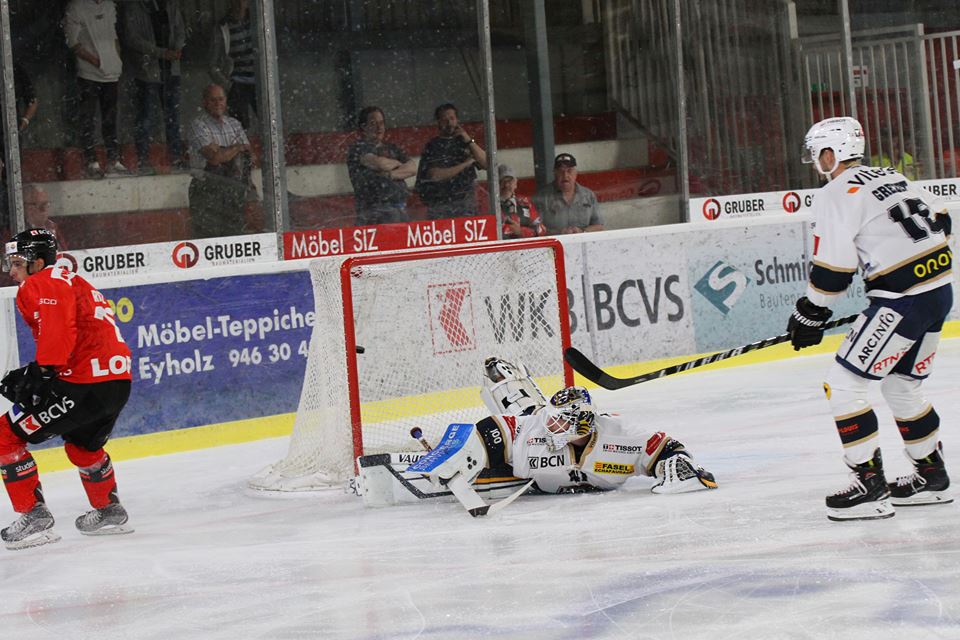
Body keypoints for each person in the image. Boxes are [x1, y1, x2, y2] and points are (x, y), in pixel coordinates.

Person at [788, 116, 953, 522]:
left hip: (902, 302)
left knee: (844, 384)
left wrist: (810, 312)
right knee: (903, 386)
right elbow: (943, 222)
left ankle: (869, 486)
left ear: (832, 153)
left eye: (817, 154)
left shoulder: (835, 193)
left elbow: (833, 271)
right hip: (938, 293)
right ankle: (931, 477)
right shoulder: (890, 175)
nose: (815, 162)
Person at [0, 228, 133, 550]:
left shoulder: (40, 283)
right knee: (83, 446)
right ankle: (109, 511)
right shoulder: (74, 280)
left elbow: (59, 328)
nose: (12, 271)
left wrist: (42, 371)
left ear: (38, 262)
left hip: (82, 384)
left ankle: (34, 518)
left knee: (5, 436)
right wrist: (41, 371)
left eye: (18, 263)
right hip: (116, 383)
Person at [415, 357, 717, 497]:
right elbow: (494, 429)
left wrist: (678, 465)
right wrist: (455, 452)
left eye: (560, 421)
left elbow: (666, 447)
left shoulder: (618, 436)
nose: (552, 425)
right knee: (526, 409)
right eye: (554, 417)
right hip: (529, 431)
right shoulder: (536, 426)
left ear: (582, 427)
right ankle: (505, 378)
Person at [64, 0, 128, 178]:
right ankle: (91, 161)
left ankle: (113, 159)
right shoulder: (76, 7)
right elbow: (72, 42)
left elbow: (113, 35)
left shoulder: (109, 5)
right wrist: (96, 61)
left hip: (112, 73)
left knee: (110, 117)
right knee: (88, 118)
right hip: (89, 74)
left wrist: (115, 59)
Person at [122, 0, 188, 174]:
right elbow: (132, 38)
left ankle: (176, 157)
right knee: (146, 117)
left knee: (173, 117)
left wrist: (177, 48)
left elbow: (181, 30)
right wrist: (160, 52)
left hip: (171, 69)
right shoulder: (135, 7)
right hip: (147, 70)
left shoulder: (172, 5)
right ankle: (143, 159)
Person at [187, 84, 254, 239]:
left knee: (235, 236)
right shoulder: (198, 124)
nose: (218, 103)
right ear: (204, 102)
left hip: (233, 187)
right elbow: (214, 158)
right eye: (213, 100)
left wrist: (224, 150)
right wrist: (236, 148)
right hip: (206, 188)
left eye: (221, 99)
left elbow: (249, 154)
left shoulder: (235, 124)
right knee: (207, 238)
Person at [415, 103, 487, 219]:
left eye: (452, 119)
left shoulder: (465, 142)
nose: (449, 123)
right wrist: (466, 164)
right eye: (445, 120)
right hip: (442, 205)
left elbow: (487, 164)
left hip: (467, 205)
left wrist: (468, 140)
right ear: (438, 122)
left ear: (457, 120)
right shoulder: (433, 146)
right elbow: (435, 175)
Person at [346, 106, 416, 225]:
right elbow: (380, 164)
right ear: (363, 127)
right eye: (373, 123)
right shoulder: (357, 148)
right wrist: (398, 164)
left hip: (400, 207)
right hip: (374, 210)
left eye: (381, 123)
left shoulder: (392, 147)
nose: (379, 128)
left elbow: (413, 168)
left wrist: (390, 174)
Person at [208, 0, 257, 130]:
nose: (240, 4)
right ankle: (241, 150)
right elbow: (212, 64)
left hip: (259, 81)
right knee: (239, 127)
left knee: (269, 120)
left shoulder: (257, 21)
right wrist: (228, 84)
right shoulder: (223, 27)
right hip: (237, 83)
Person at [534, 153, 604, 234]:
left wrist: (582, 231)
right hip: (554, 244)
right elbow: (535, 229)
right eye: (561, 171)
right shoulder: (542, 197)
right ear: (555, 173)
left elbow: (599, 226)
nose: (565, 175)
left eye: (569, 171)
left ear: (576, 173)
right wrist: (559, 233)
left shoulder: (588, 195)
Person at [497, 164, 545, 239]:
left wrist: (521, 231)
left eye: (509, 181)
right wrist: (510, 230)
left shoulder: (525, 202)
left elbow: (541, 230)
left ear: (515, 183)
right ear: (495, 184)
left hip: (527, 248)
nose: (506, 185)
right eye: (502, 181)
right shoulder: (490, 206)